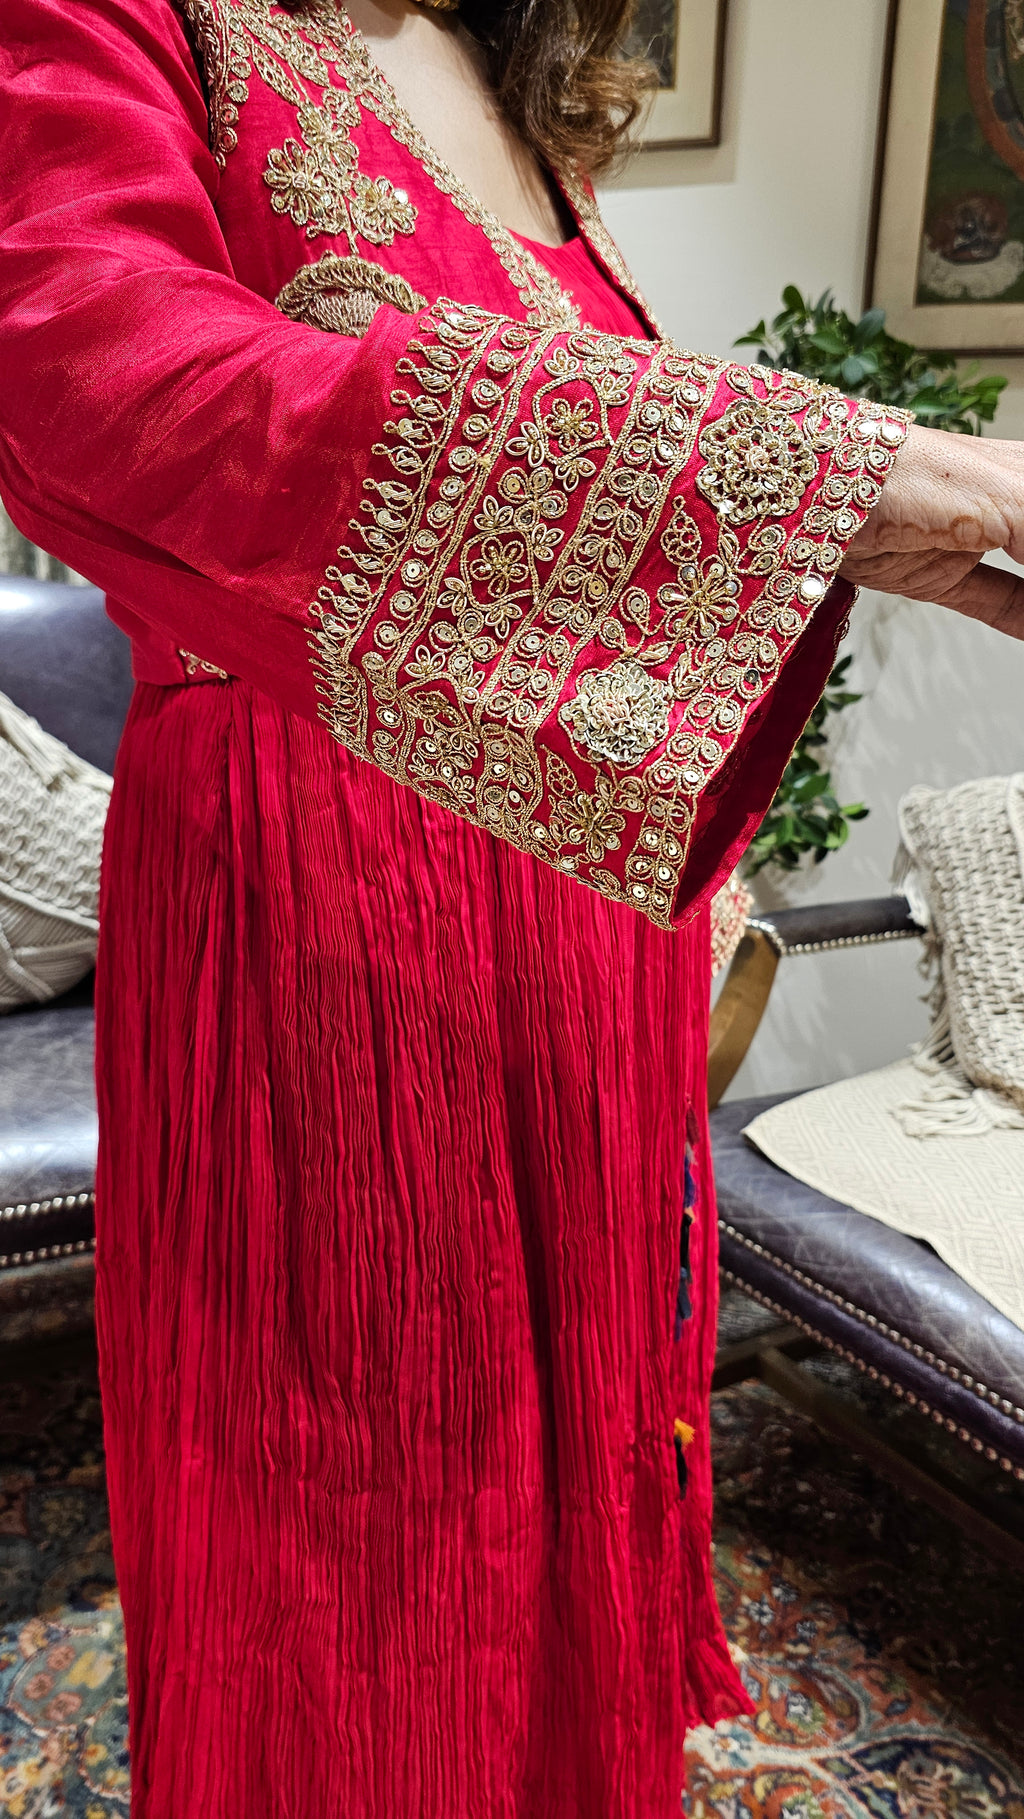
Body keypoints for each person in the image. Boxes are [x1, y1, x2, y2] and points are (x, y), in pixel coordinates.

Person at [1, 2, 1023, 1813]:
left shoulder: (509, 71)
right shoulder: (123, 18)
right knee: (356, 1533)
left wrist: (836, 520)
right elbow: (90, 370)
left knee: (567, 1479)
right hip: (325, 914)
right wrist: (821, 465)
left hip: (576, 926)